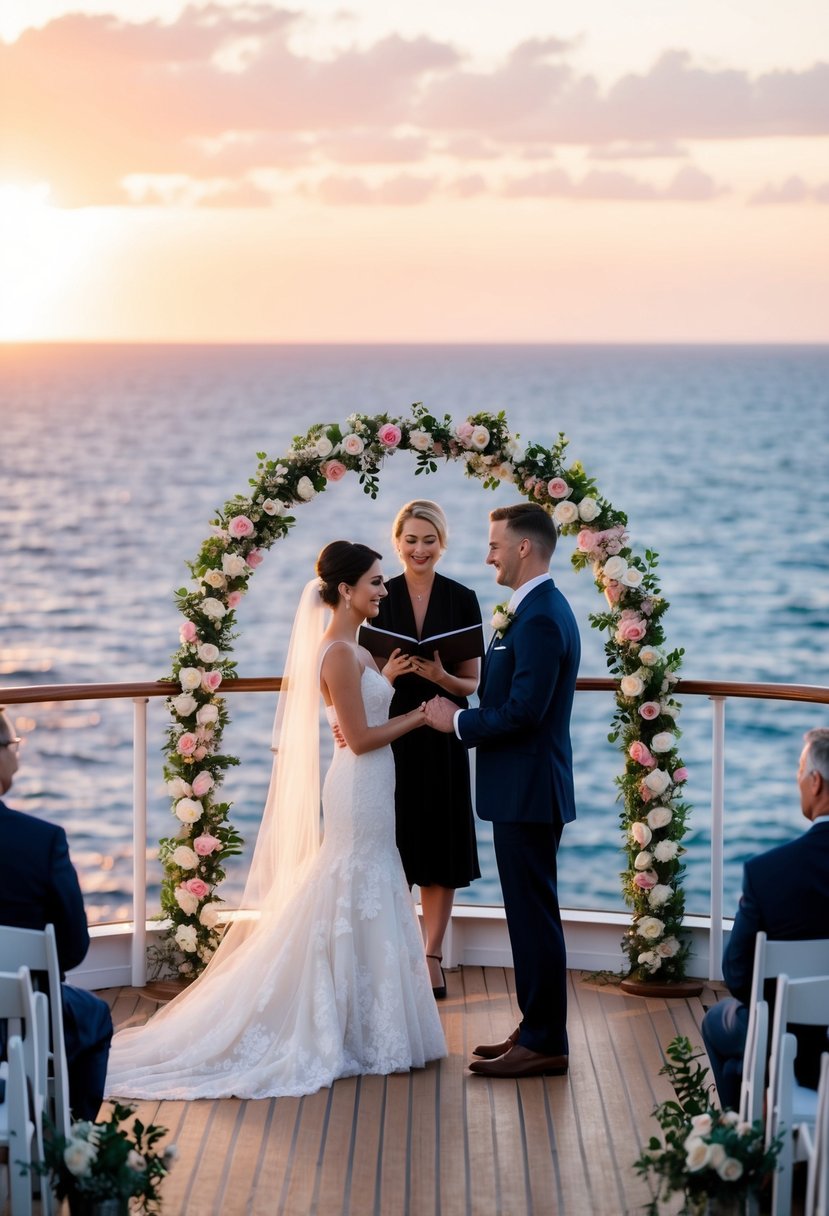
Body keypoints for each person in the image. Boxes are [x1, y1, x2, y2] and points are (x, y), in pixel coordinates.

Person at [106, 542, 446, 1101]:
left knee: (368, 883)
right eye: (376, 583)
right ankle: (339, 1023)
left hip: (375, 785)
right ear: (346, 590)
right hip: (359, 784)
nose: (385, 591)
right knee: (352, 881)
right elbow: (358, 740)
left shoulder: (354, 649)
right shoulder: (337, 652)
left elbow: (356, 714)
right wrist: (418, 715)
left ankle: (367, 1022)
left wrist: (383, 678)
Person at [424, 502, 580, 1079]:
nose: (487, 554)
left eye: (494, 545)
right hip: (523, 789)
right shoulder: (533, 609)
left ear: (523, 548)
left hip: (529, 790)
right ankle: (535, 1026)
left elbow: (524, 713)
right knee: (528, 914)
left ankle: (544, 1040)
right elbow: (509, 694)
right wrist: (450, 686)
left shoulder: (540, 617)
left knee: (533, 917)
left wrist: (456, 723)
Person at [371, 500, 483, 998]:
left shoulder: (463, 598)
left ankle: (430, 956)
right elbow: (353, 677)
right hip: (390, 735)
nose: (420, 549)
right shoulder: (378, 596)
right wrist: (387, 674)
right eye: (411, 540)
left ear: (442, 543)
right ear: (397, 543)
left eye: (429, 540)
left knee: (440, 846)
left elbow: (471, 685)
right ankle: (389, 956)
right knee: (391, 845)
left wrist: (441, 676)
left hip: (441, 735)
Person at [701, 727, 829, 1110]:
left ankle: (748, 1150)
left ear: (816, 782)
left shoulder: (768, 872)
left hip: (789, 1040)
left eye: (799, 772)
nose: (798, 782)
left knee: (717, 1023)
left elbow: (738, 977)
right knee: (738, 1065)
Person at [0, 706, 113, 1122]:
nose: (17, 754)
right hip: (22, 1013)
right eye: (13, 745)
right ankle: (73, 1141)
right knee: (95, 1016)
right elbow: (73, 947)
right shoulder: (42, 841)